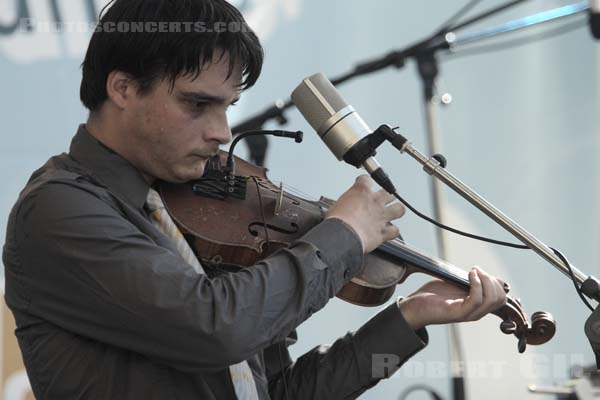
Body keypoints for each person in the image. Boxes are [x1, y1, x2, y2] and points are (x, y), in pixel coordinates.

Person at [2, 0, 507, 398]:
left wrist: (406, 319)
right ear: (123, 88)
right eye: (198, 104)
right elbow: (215, 329)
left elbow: (277, 393)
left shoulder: (195, 207)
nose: (222, 132)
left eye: (229, 107)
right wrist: (345, 233)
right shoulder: (59, 209)